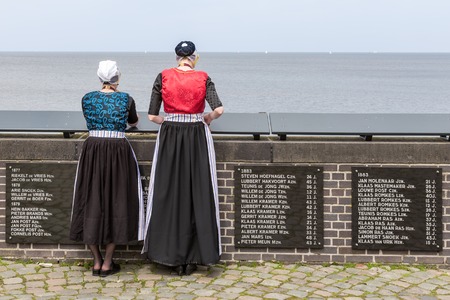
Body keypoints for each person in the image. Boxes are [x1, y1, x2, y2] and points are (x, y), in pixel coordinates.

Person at [142, 41, 224, 276]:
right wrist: (206, 117)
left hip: (170, 136)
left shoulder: (163, 76)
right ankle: (197, 255)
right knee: (199, 191)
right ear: (194, 57)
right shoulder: (203, 77)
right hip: (196, 135)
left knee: (168, 192)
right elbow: (219, 109)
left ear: (177, 56)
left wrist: (168, 121)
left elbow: (151, 116)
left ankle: (169, 254)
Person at [70, 60, 145, 277]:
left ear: (99, 77)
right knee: (117, 201)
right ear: (117, 78)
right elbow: (133, 121)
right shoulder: (125, 99)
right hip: (117, 151)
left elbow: (91, 120)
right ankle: (108, 262)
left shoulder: (87, 98)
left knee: (90, 200)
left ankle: (96, 261)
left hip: (93, 150)